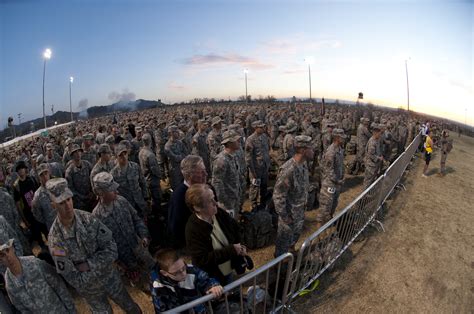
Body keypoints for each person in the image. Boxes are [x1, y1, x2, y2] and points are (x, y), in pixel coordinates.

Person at [46, 178, 141, 313]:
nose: (67, 205)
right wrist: (93, 271)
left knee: (132, 308)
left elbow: (111, 249)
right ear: (53, 205)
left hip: (110, 278)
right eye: (61, 202)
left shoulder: (88, 219)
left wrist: (88, 265)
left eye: (68, 199)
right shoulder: (55, 239)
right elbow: (70, 275)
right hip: (91, 291)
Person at [92, 172, 154, 283]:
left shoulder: (121, 201)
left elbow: (136, 219)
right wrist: (117, 262)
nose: (117, 191)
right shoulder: (97, 216)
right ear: (101, 193)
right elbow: (102, 244)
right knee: (138, 278)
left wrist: (144, 235)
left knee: (152, 267)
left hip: (138, 246)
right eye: (111, 190)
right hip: (124, 257)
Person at [185, 184, 246, 285]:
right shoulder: (192, 229)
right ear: (197, 208)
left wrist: (241, 245)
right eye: (210, 201)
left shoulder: (218, 213)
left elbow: (236, 229)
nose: (216, 203)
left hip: (229, 268)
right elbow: (202, 260)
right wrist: (232, 250)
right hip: (213, 277)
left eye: (214, 198)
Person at [0, 239, 76, 313]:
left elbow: (59, 287)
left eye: (7, 251)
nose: (8, 257)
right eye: (3, 255)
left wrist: (72, 311)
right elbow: (24, 310)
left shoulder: (35, 264)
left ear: (13, 249)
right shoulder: (10, 286)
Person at [273, 135, 313, 257]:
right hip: (289, 216)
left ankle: (290, 252)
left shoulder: (304, 164)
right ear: (302, 150)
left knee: (293, 238)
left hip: (299, 212)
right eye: (310, 148)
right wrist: (285, 216)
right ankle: (280, 269)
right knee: (282, 245)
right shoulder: (288, 169)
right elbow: (278, 196)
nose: (313, 150)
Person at [150, 248, 223, 313]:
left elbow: (206, 280)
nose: (183, 273)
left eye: (183, 267)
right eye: (177, 272)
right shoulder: (158, 286)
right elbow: (161, 309)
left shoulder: (191, 270)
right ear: (164, 273)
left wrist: (213, 286)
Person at [168, 155, 208, 249]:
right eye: (201, 172)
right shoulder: (179, 196)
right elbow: (176, 228)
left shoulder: (207, 188)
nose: (205, 174)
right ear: (189, 175)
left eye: (205, 170)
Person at [111, 143, 149, 217]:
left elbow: (142, 182)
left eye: (125, 153)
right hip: (127, 206)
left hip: (140, 202)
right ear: (116, 157)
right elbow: (115, 193)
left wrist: (146, 197)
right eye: (120, 155)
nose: (124, 157)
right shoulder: (113, 174)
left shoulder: (135, 166)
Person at [317, 129, 346, 227]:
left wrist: (342, 177)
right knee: (325, 206)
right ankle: (319, 229)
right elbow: (329, 171)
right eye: (342, 137)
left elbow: (341, 165)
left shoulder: (340, 149)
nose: (344, 138)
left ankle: (328, 223)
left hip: (337, 182)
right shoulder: (331, 152)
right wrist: (338, 181)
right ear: (337, 138)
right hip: (330, 184)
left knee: (333, 204)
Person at [212, 130, 242, 218]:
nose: (239, 142)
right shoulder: (221, 160)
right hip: (227, 202)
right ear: (229, 143)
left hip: (235, 197)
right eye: (236, 140)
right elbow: (217, 183)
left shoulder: (234, 156)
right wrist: (224, 202)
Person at [245, 120, 271, 208]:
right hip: (256, 168)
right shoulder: (250, 139)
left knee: (264, 185)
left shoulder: (264, 136)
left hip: (264, 167)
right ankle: (253, 204)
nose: (263, 128)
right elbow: (248, 157)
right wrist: (252, 171)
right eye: (261, 127)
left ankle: (263, 202)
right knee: (255, 186)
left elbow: (267, 151)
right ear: (255, 128)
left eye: (263, 127)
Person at [65, 144, 95, 211]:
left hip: (91, 197)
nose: (78, 154)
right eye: (75, 152)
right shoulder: (69, 172)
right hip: (79, 202)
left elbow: (93, 178)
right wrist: (83, 197)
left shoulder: (87, 164)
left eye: (79, 151)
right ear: (72, 155)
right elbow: (71, 189)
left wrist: (92, 192)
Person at [138, 133, 162, 216]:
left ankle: (152, 212)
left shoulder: (141, 152)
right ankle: (157, 214)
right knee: (157, 198)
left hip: (146, 179)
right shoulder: (150, 155)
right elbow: (154, 170)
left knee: (150, 197)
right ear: (150, 141)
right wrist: (160, 176)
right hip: (153, 179)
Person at [31, 163, 56, 231]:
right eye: (41, 175)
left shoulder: (57, 187)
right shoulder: (37, 195)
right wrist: (48, 220)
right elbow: (37, 215)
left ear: (49, 173)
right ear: (38, 178)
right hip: (52, 227)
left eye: (46, 173)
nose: (45, 177)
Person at [164, 125, 187, 190]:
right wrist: (182, 156)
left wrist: (181, 156)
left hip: (183, 168)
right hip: (175, 171)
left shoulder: (180, 142)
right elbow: (175, 158)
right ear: (171, 133)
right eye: (176, 132)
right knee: (177, 188)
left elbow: (186, 153)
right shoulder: (167, 146)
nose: (178, 133)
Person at [364, 124, 384, 188]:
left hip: (374, 165)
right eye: (379, 133)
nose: (380, 135)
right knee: (368, 182)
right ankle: (364, 196)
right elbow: (371, 155)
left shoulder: (377, 140)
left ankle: (368, 194)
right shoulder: (372, 142)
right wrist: (379, 158)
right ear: (375, 133)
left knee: (372, 180)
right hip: (371, 166)